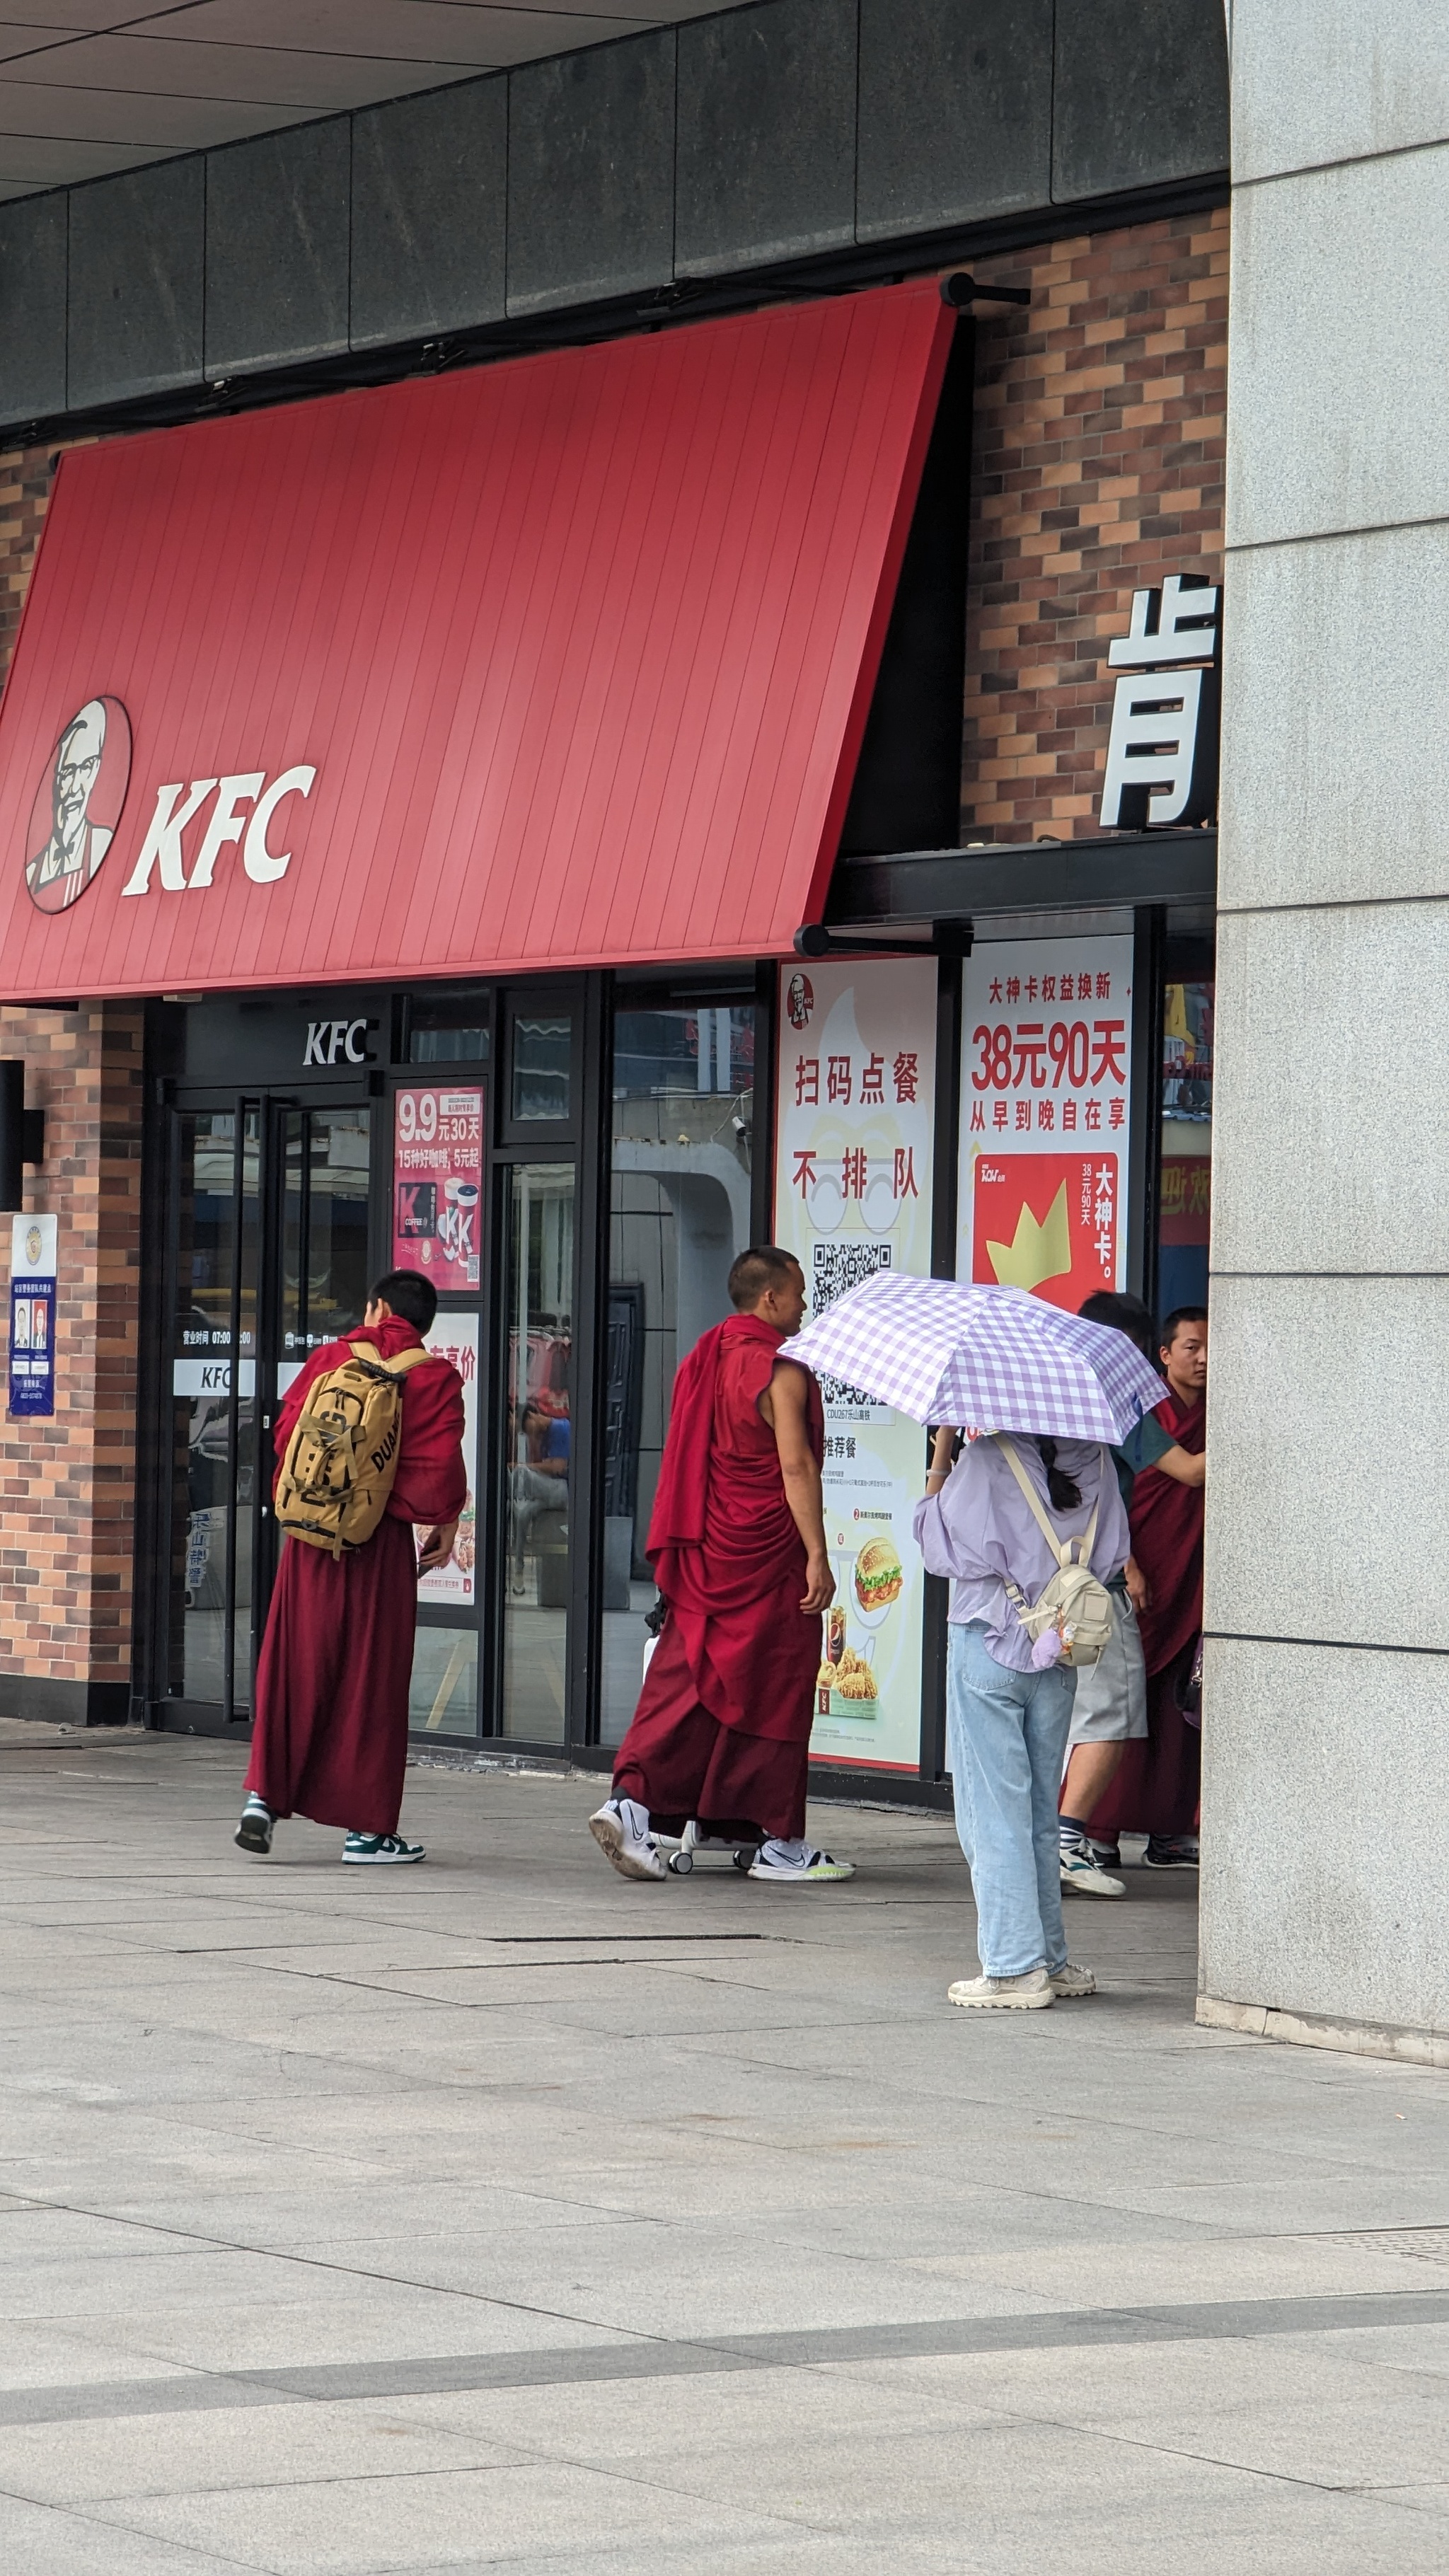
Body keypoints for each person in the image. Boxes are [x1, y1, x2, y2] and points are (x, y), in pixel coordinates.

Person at [591, 1246, 853, 1885]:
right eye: (797, 1294)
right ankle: (779, 1840)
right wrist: (819, 1553)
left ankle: (634, 1800)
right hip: (770, 1555)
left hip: (710, 1550)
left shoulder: (704, 1357)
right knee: (778, 1689)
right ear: (770, 1299)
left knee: (690, 1681)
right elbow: (796, 1466)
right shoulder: (781, 1369)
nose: (804, 1305)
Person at [235, 1270, 466, 1866]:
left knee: (294, 1665)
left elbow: (287, 1438)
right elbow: (436, 1478)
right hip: (379, 1547)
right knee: (371, 1684)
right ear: (423, 1325)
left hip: (309, 1542)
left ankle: (262, 1797)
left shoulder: (332, 1357)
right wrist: (444, 1518)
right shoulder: (434, 1376)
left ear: (377, 1307)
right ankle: (366, 1831)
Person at [917, 1424, 1128, 2009]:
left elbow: (937, 1547)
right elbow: (1112, 1558)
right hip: (1061, 1652)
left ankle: (1012, 1966)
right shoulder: (1101, 1464)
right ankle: (1050, 1959)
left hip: (989, 1643)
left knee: (993, 1811)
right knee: (1039, 1809)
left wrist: (941, 1455)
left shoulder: (987, 1457)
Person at [1058, 1291, 1207, 1898]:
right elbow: (1191, 1474)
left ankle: (1059, 1838)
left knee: (1058, 1714)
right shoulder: (1118, 1408)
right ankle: (1074, 1840)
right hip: (1101, 1584)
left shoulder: (1046, 1401)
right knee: (1109, 1715)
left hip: (1039, 1584)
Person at [27, 700, 112, 907]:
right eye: (68, 772)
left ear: (96, 771)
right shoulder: (32, 872)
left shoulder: (101, 844)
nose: (75, 787)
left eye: (86, 768)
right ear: (56, 779)